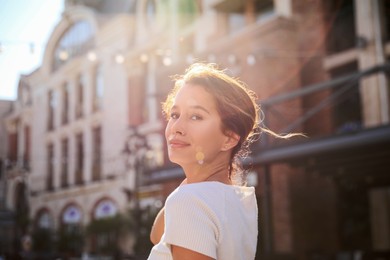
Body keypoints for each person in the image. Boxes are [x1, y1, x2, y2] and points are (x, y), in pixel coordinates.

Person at [147, 63, 288, 260]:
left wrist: (186, 194)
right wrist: (190, 183)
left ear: (229, 138)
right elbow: (157, 236)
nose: (176, 127)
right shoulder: (233, 198)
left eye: (196, 116)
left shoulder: (190, 201)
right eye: (174, 114)